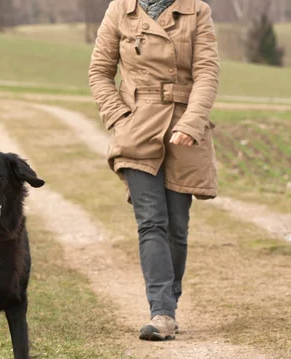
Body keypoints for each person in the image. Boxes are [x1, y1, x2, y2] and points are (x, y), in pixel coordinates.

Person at [88, 0, 220, 341]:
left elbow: (207, 73)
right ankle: (161, 312)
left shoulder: (196, 10)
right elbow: (100, 72)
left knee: (177, 225)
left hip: (183, 130)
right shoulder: (120, 9)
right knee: (151, 222)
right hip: (137, 129)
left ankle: (168, 301)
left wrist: (192, 123)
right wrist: (118, 118)